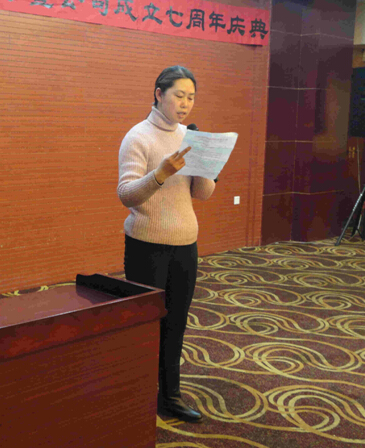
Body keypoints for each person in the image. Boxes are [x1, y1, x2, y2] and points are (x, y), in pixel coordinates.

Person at [117, 65, 215, 422]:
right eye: (179, 96)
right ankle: (138, 394)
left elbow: (202, 194)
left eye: (191, 98)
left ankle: (170, 396)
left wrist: (205, 166)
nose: (185, 104)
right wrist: (160, 174)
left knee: (176, 324)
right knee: (147, 325)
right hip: (147, 245)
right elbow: (126, 194)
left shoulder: (190, 136)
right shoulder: (138, 137)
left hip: (186, 244)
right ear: (159, 94)